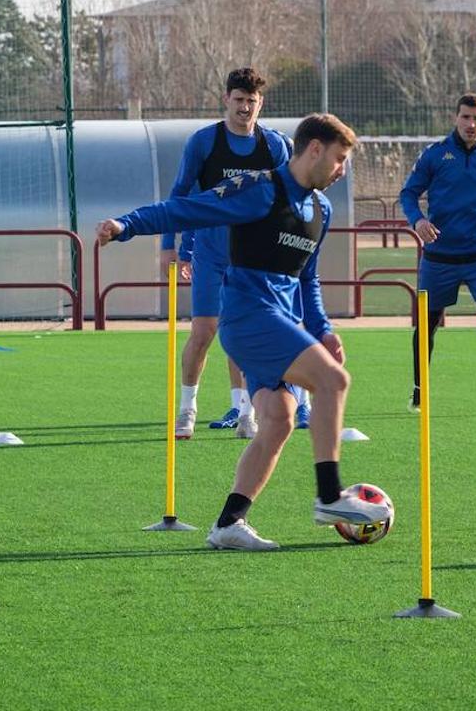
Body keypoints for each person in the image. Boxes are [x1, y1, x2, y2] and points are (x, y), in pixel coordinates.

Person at [98, 113, 392, 550]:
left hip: (281, 321)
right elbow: (186, 207)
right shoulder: (259, 191)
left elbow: (306, 278)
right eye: (339, 159)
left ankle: (228, 524)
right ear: (314, 149)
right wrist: (127, 226)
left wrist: (324, 330)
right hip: (247, 317)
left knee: (278, 420)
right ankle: (330, 497)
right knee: (334, 381)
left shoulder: (321, 209)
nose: (341, 170)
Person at [160, 67, 296, 440]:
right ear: (226, 100)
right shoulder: (204, 142)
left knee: (244, 333)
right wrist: (169, 246)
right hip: (210, 252)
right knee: (204, 331)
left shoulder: (275, 146)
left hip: (254, 257)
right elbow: (180, 193)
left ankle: (245, 413)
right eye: (239, 100)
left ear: (260, 103)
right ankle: (187, 409)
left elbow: (289, 200)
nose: (245, 108)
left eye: (252, 102)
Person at [399, 92, 476, 417]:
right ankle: (418, 391)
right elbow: (409, 193)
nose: (471, 124)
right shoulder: (436, 155)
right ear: (456, 118)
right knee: (427, 325)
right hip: (439, 256)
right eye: (466, 117)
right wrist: (419, 220)